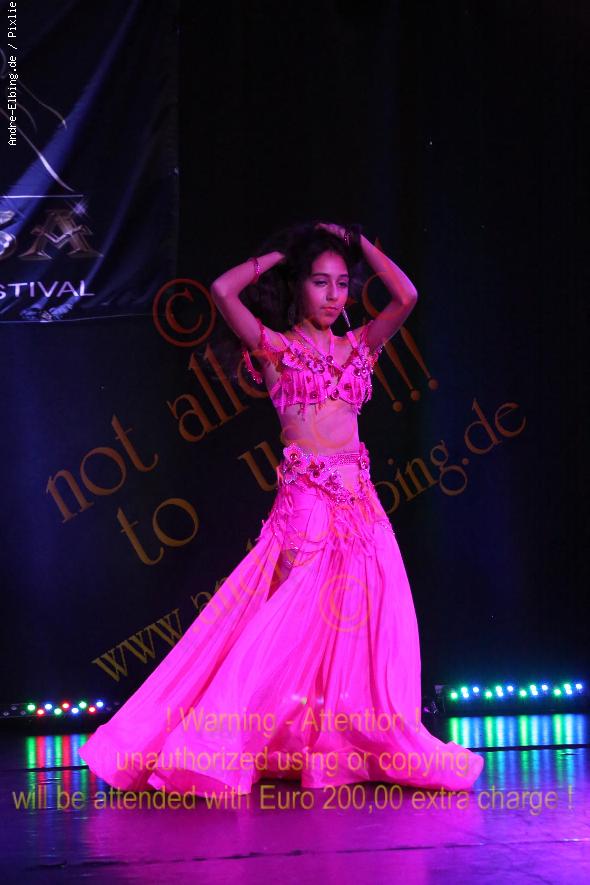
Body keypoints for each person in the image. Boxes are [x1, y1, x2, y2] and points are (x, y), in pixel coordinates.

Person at [78, 221, 484, 797]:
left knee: (365, 621)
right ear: (299, 285)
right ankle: (224, 739)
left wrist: (360, 242)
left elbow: (407, 296)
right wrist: (281, 252)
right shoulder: (275, 348)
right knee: (285, 620)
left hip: (361, 505)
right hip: (306, 504)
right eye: (320, 282)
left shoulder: (359, 346)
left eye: (341, 284)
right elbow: (222, 291)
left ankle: (328, 740)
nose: (334, 295)